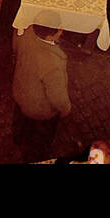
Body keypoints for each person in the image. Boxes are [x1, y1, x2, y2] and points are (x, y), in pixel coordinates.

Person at [12, 25, 71, 157]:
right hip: (40, 109)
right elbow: (58, 98)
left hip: (21, 92)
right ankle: (34, 154)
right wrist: (65, 110)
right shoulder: (53, 64)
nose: (61, 30)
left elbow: (15, 49)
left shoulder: (25, 34)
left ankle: (17, 138)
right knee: (41, 137)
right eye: (59, 29)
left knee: (20, 120)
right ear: (51, 36)